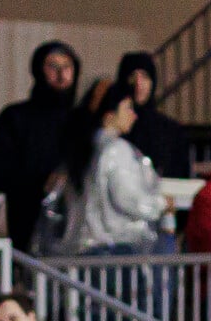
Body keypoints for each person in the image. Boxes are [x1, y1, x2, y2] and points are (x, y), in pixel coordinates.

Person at [0, 41, 82, 254]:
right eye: (53, 66)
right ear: (39, 70)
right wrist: (39, 182)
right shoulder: (16, 118)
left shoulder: (82, 121)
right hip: (28, 223)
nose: (61, 74)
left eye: (67, 67)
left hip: (76, 229)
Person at [62, 79, 172, 256]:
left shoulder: (84, 149)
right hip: (115, 250)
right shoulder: (116, 150)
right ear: (109, 115)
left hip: (84, 250)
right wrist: (162, 203)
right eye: (128, 108)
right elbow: (127, 198)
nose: (134, 115)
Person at [112, 52, 192, 185]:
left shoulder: (171, 130)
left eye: (145, 77)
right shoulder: (114, 127)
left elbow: (179, 177)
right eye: (132, 76)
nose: (138, 84)